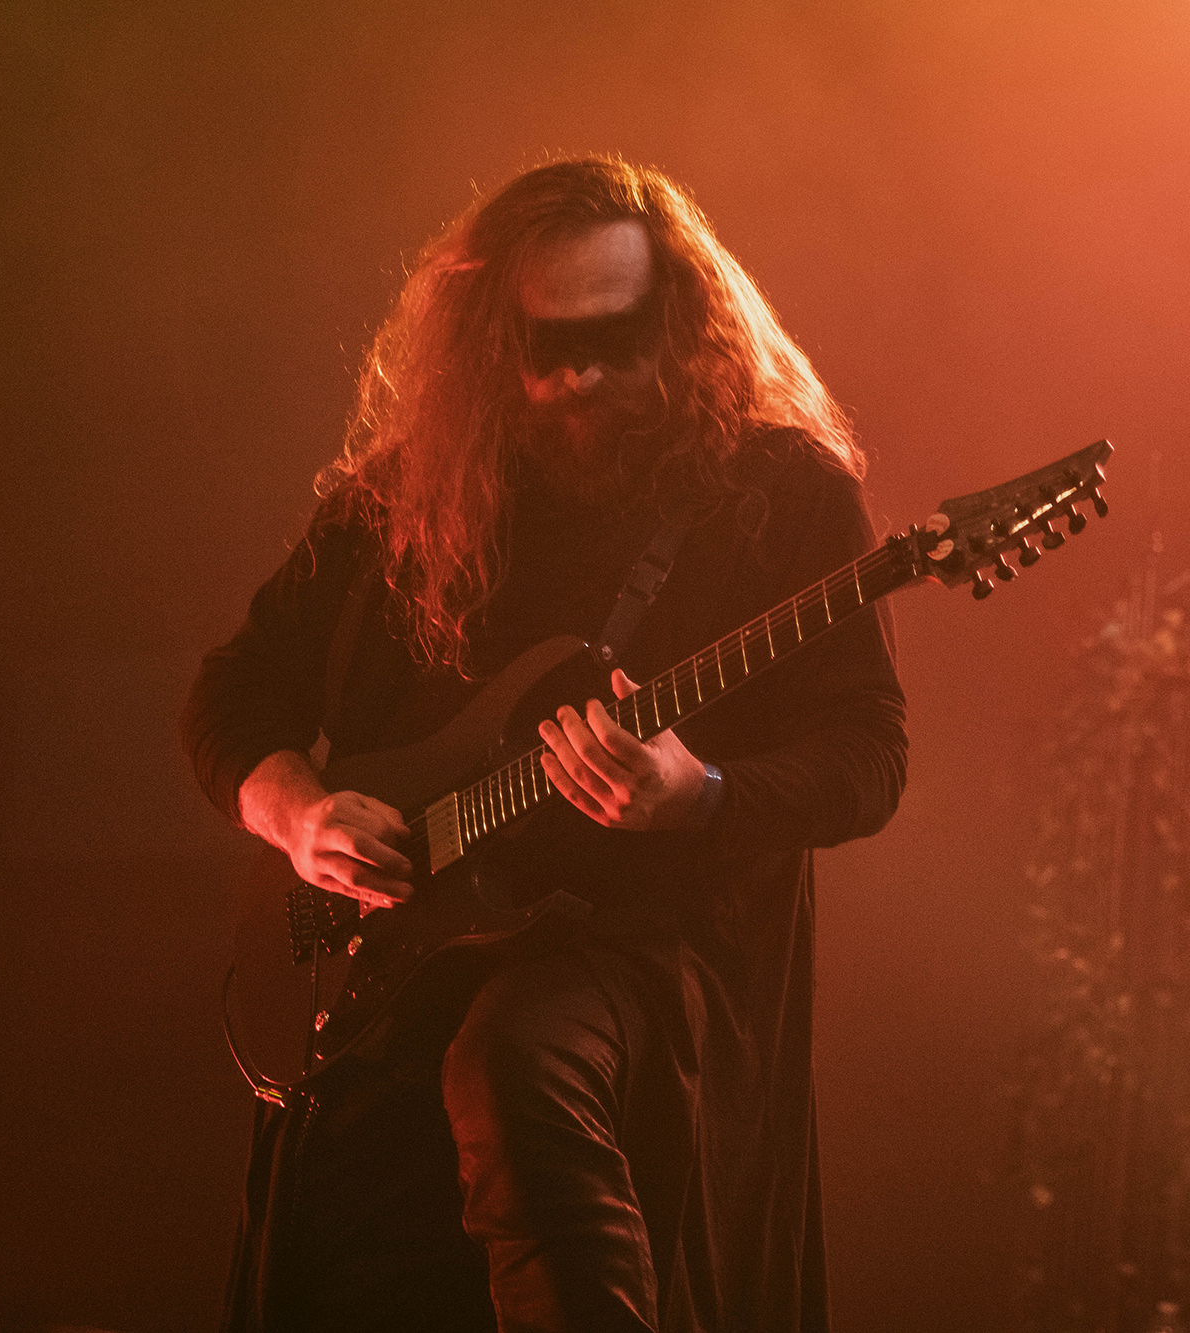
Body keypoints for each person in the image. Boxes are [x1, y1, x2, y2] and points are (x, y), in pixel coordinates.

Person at [184, 156, 908, 1333]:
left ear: (678, 323)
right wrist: (298, 814)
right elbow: (233, 691)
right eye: (545, 345)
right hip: (393, 962)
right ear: (489, 339)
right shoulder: (404, 497)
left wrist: (700, 792)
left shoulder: (778, 496)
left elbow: (868, 755)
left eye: (615, 340)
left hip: (650, 961)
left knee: (516, 1058)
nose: (579, 376)